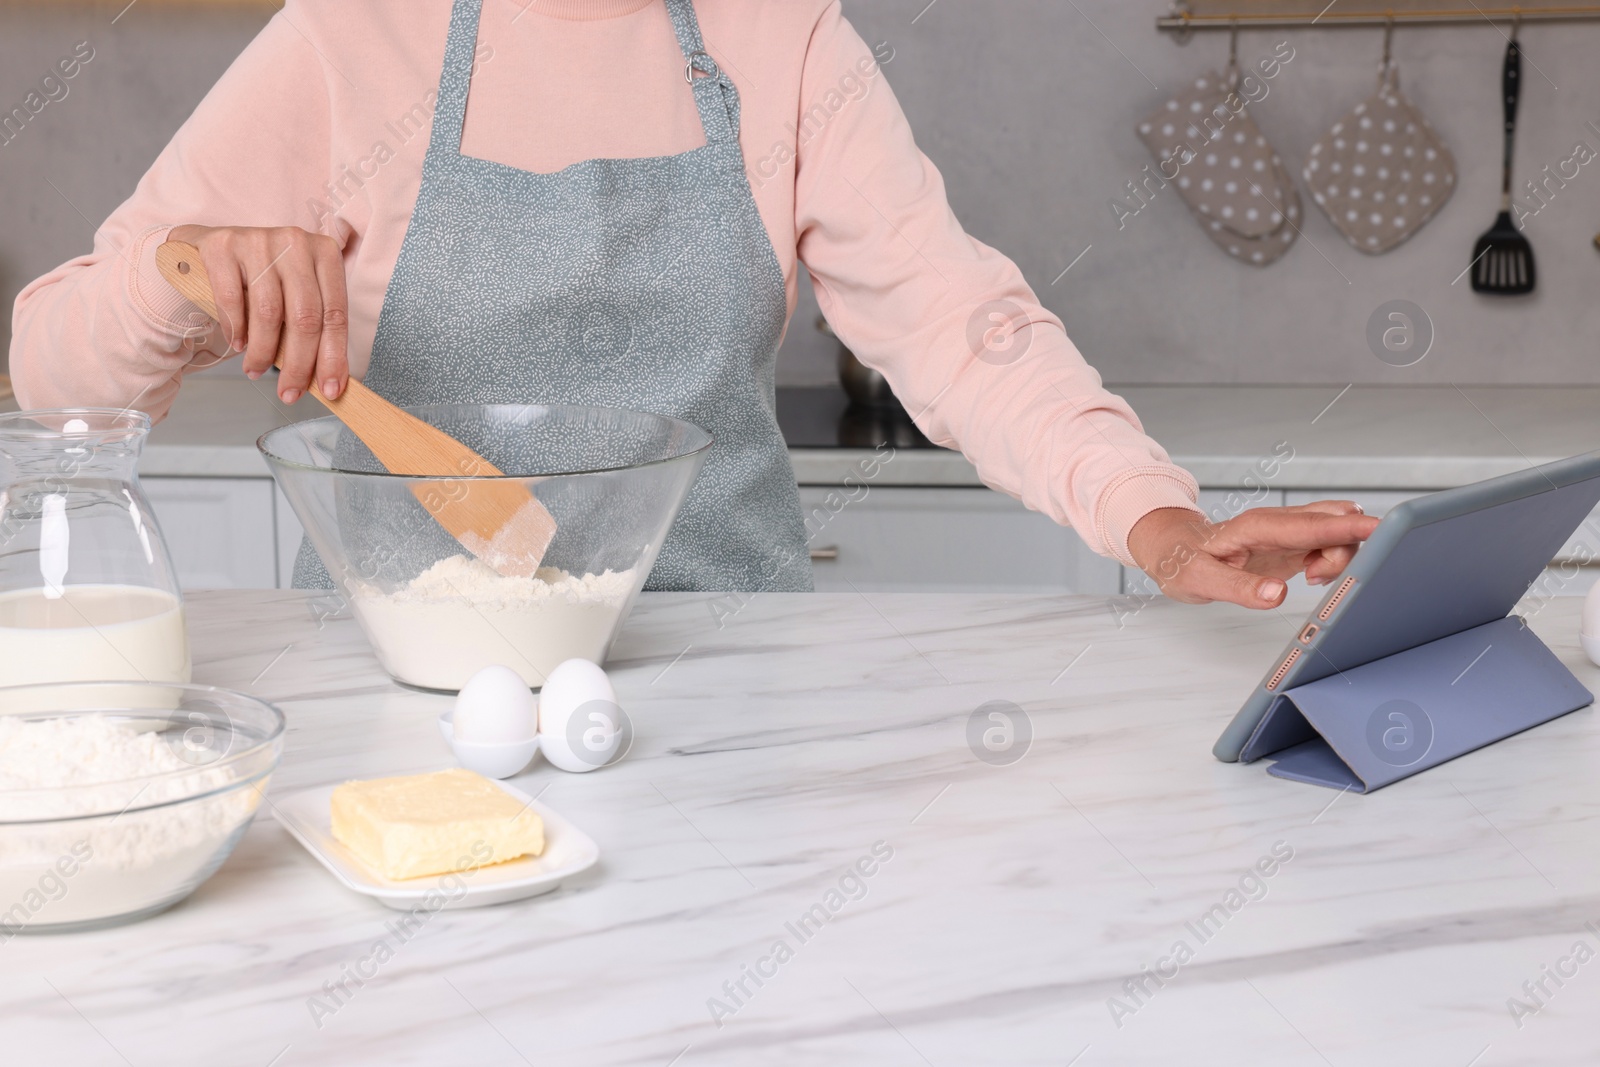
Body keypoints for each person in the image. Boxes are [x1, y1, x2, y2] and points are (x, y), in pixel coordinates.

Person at [9, 0, 1376, 599]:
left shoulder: (781, 36)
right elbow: (49, 377)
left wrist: (1155, 521)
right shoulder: (344, 35)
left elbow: (960, 327)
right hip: (405, 693)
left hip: (733, 677)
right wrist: (171, 277)